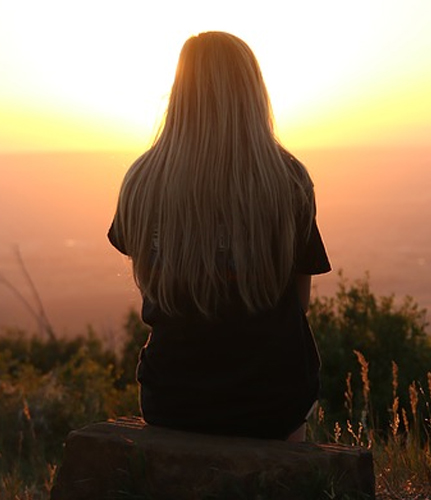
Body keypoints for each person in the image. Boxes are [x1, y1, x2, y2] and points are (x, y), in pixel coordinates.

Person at [108, 31, 331, 441]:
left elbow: (150, 284)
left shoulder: (141, 181)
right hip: (272, 402)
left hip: (172, 399)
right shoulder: (289, 181)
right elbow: (299, 304)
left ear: (179, 92)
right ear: (253, 93)